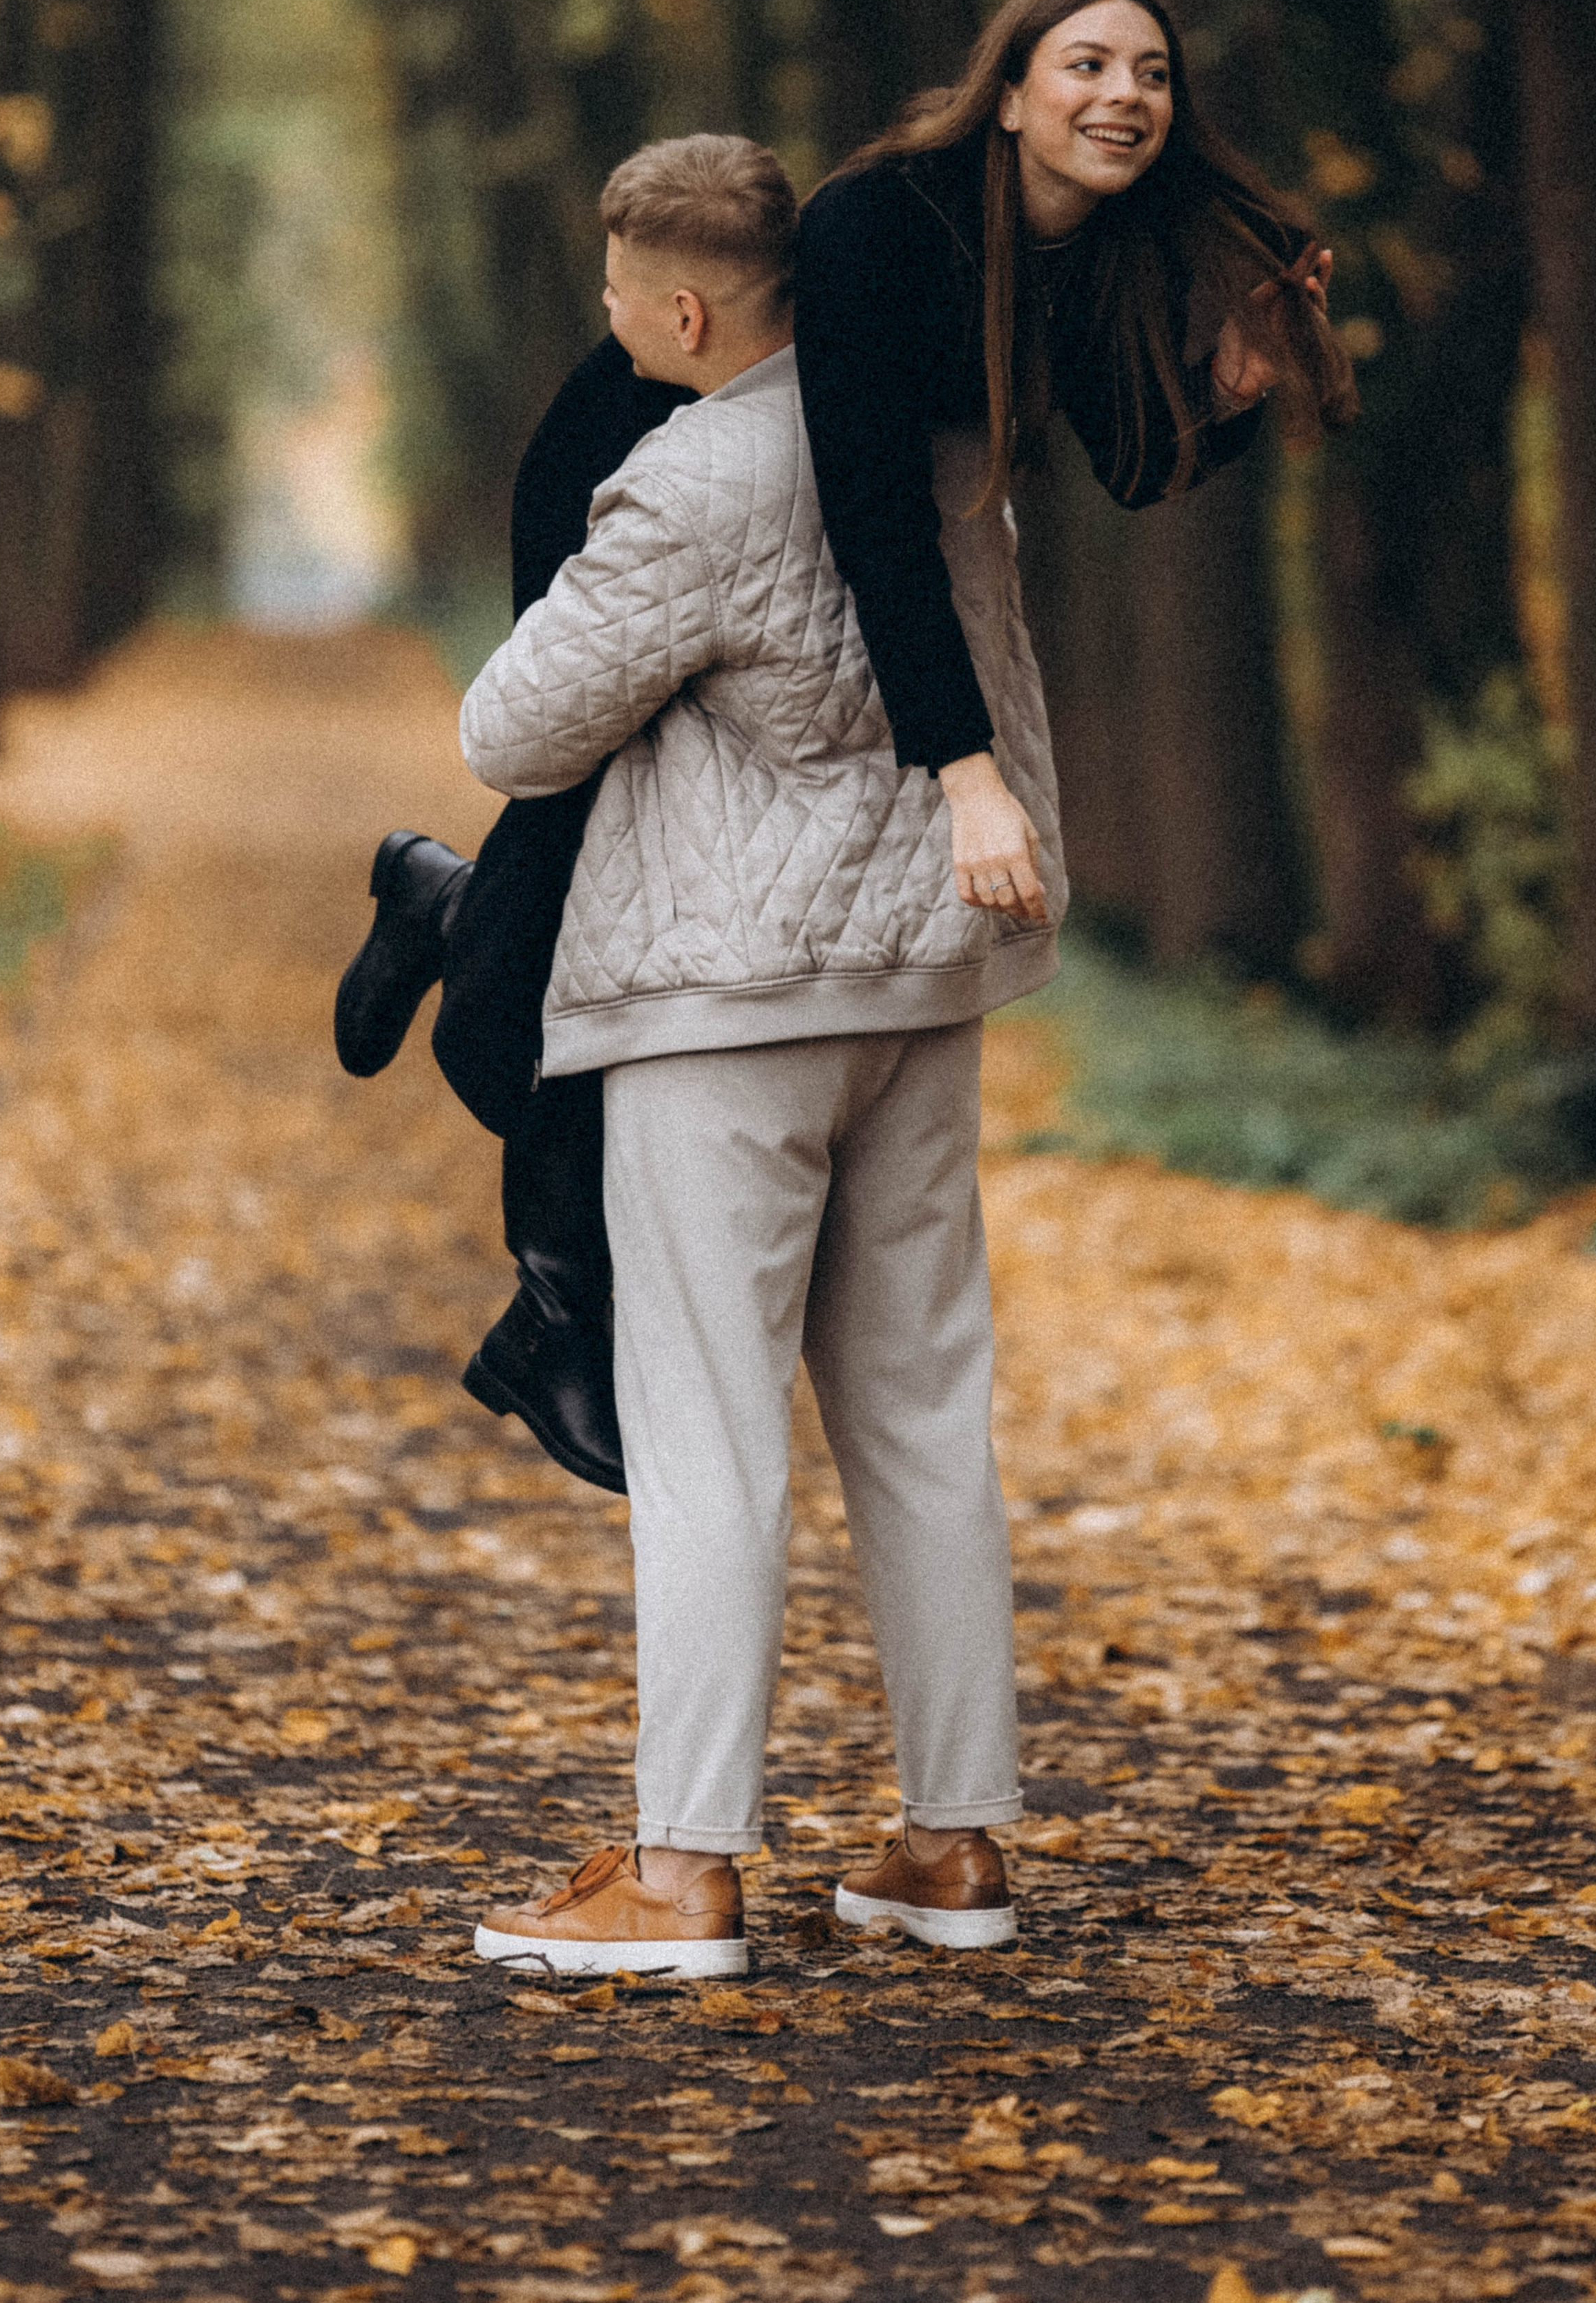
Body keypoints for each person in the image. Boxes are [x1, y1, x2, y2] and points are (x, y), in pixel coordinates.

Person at [333, 0, 1351, 1488]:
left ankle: (452, 917)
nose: (1122, 94)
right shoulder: (890, 221)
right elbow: (875, 516)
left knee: (564, 899)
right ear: (1010, 91)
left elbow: (1125, 467)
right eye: (1085, 64)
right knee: (578, 895)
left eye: (1147, 71)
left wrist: (1235, 384)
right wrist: (965, 774)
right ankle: (557, 1298)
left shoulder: (1092, 257)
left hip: (754, 524)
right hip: (636, 462)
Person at [460, 131, 1061, 1969]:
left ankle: (684, 1866)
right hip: (914, 983)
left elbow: (512, 728)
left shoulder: (691, 474)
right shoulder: (940, 452)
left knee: (714, 1428)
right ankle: (953, 1844)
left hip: (726, 1011)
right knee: (925, 1420)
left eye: (624, 298)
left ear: (689, 303)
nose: (613, 325)